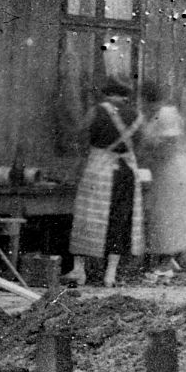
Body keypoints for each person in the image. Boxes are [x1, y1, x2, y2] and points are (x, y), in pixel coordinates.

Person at [68, 76, 145, 286]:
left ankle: (79, 271)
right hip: (126, 172)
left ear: (107, 93)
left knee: (88, 217)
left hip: (99, 168)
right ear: (125, 96)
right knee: (119, 221)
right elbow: (140, 143)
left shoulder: (97, 111)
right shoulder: (137, 116)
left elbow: (80, 136)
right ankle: (110, 275)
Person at [137, 80, 186, 274]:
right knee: (161, 215)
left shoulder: (166, 114)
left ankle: (167, 262)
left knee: (170, 216)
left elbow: (169, 144)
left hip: (171, 170)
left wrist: (148, 155)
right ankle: (165, 261)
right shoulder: (153, 116)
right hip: (161, 171)